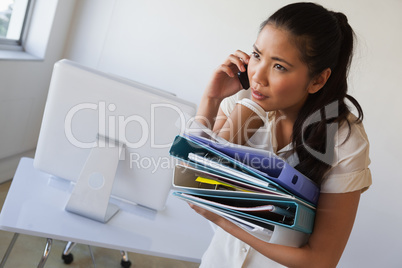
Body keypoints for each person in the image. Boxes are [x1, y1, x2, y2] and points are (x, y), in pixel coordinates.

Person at [190, 2, 372, 267]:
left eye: (279, 67)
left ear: (317, 80)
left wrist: (223, 222)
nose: (257, 77)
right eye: (256, 55)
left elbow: (321, 260)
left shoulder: (344, 140)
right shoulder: (241, 103)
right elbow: (195, 182)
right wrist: (212, 98)